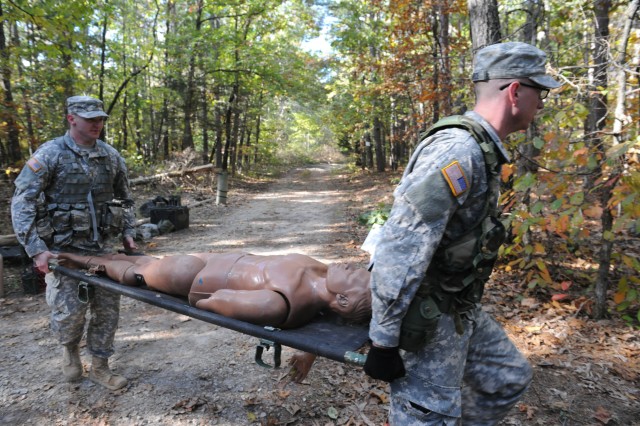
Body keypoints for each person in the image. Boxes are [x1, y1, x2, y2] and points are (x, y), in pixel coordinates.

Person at [362, 42, 562, 424]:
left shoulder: (482, 148)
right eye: (541, 92)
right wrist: (384, 340)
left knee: (506, 378)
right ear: (516, 91)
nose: (542, 103)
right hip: (428, 318)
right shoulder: (459, 150)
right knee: (429, 415)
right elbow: (401, 244)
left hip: (457, 308)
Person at [11, 96, 138, 391]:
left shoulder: (110, 156)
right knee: (69, 312)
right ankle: (70, 351)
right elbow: (23, 201)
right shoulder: (50, 154)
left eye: (100, 118)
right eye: (90, 118)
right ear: (71, 118)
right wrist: (36, 249)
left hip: (104, 251)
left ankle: (101, 367)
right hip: (64, 250)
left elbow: (126, 198)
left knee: (107, 311)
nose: (97, 124)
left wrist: (128, 232)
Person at [57, 251, 371, 329]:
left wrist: (202, 297)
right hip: (216, 259)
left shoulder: (283, 304)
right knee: (147, 261)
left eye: (357, 276)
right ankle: (109, 256)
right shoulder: (324, 272)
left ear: (342, 299)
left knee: (138, 273)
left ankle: (86, 260)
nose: (354, 267)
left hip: (195, 277)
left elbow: (214, 303)